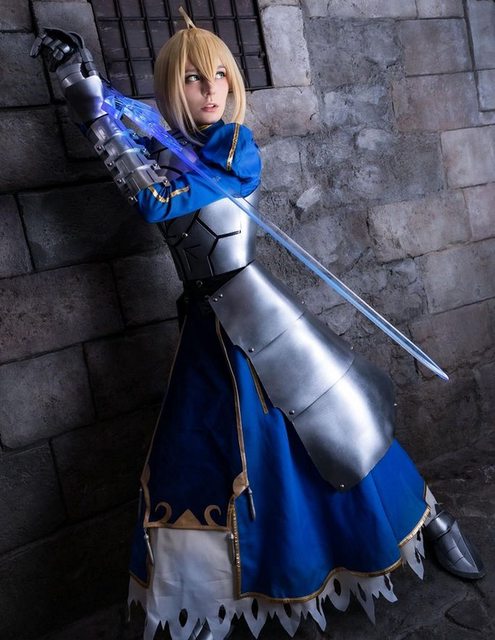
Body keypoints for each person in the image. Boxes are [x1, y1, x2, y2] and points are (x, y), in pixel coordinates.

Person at [32, 12, 484, 640]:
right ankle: (207, 591)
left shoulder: (234, 147)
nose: (211, 89)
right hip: (204, 323)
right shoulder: (173, 142)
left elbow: (156, 200)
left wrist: (93, 105)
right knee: (200, 455)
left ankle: (431, 523)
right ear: (173, 88)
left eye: (220, 74)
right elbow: (137, 130)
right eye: (193, 79)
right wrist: (83, 84)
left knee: (332, 425)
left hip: (255, 311)